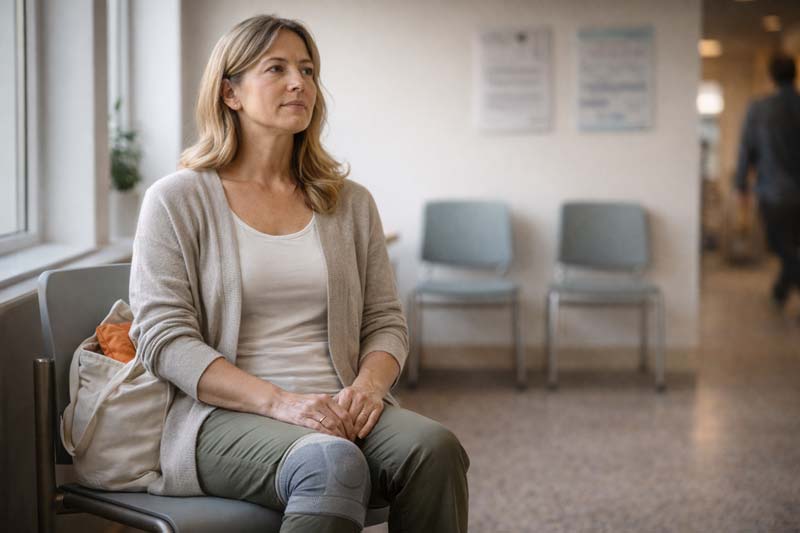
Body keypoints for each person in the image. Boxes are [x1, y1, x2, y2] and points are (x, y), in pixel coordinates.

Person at [128, 14, 469, 533]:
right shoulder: (176, 200)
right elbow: (162, 338)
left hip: (339, 407)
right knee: (331, 460)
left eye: (308, 70)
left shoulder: (348, 203)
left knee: (435, 449)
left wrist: (369, 388)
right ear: (230, 93)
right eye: (277, 69)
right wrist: (282, 403)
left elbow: (385, 319)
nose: (299, 83)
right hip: (221, 418)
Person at [734, 52, 800, 308]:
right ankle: (780, 292)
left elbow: (746, 149)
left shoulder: (759, 109)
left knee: (778, 245)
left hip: (774, 192)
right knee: (790, 248)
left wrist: (741, 185)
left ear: (771, 77)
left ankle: (782, 289)